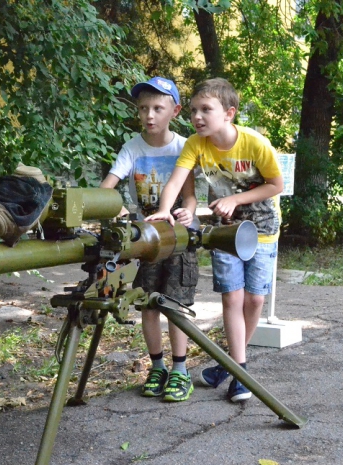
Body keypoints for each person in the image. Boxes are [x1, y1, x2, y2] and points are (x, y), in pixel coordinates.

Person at [146, 78, 283, 403]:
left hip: (263, 230)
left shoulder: (254, 144)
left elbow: (275, 185)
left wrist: (235, 199)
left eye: (206, 109)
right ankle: (240, 374)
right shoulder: (196, 143)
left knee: (255, 302)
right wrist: (165, 210)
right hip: (224, 234)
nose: (197, 116)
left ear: (229, 113)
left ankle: (229, 364)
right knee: (232, 301)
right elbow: (177, 181)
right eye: (194, 110)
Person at [100, 76, 199, 403]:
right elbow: (107, 188)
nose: (150, 115)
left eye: (158, 108)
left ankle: (180, 370)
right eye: (143, 109)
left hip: (178, 239)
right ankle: (157, 367)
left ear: (175, 110)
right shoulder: (132, 147)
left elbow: (190, 197)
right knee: (147, 304)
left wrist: (186, 213)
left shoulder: (184, 146)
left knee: (175, 304)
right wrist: (113, 210)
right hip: (145, 240)